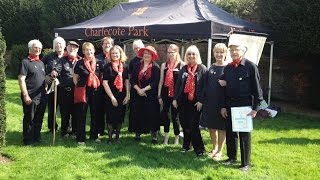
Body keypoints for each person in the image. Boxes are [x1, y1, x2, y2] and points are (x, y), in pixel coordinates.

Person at [219, 41, 263, 171]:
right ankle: (231, 157)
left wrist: (255, 109)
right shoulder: (228, 68)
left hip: (245, 105)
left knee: (244, 134)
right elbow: (223, 88)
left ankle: (246, 163)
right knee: (231, 132)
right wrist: (223, 106)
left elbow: (257, 90)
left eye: (236, 50)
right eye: (231, 50)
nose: (233, 52)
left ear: (243, 51)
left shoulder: (250, 67)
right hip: (229, 104)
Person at [172, 45, 206, 156]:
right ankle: (186, 146)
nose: (191, 56)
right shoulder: (184, 69)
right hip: (183, 102)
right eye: (189, 54)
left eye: (193, 54)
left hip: (196, 102)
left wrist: (201, 100)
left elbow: (205, 87)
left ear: (197, 55)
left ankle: (199, 149)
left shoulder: (202, 69)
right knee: (185, 125)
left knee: (193, 126)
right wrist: (175, 99)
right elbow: (178, 85)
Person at [199, 43, 228, 160]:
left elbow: (235, 85)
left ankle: (220, 151)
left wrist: (227, 83)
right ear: (213, 53)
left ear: (225, 53)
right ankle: (214, 148)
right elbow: (204, 85)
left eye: (221, 52)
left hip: (222, 105)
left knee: (222, 128)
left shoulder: (228, 68)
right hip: (209, 103)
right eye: (217, 52)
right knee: (211, 127)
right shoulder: (210, 68)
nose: (219, 54)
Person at [73, 42, 105, 145]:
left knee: (95, 114)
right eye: (86, 50)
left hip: (96, 92)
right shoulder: (79, 63)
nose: (89, 52)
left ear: (94, 51)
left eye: (90, 50)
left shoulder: (100, 62)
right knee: (81, 114)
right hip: (83, 91)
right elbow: (75, 78)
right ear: (83, 52)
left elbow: (102, 76)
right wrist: (79, 87)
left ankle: (94, 136)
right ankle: (80, 138)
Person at [18, 39, 46, 145]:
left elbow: (42, 78)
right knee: (29, 118)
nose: (38, 49)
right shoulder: (25, 62)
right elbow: (21, 79)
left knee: (39, 117)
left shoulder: (41, 63)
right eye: (36, 47)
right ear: (30, 48)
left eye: (39, 47)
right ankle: (28, 140)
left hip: (42, 96)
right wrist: (25, 95)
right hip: (31, 96)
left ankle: (36, 136)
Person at [131, 45, 160, 143]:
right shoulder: (136, 65)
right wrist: (139, 90)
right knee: (138, 113)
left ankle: (154, 136)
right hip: (137, 94)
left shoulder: (156, 67)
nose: (146, 55)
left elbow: (155, 82)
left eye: (148, 53)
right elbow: (132, 80)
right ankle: (137, 133)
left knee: (152, 114)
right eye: (145, 53)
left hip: (150, 95)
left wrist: (144, 90)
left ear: (152, 55)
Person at [102, 45, 130, 143]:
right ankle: (109, 138)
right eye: (113, 53)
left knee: (120, 116)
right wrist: (112, 97)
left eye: (116, 53)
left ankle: (117, 137)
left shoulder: (125, 66)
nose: (114, 55)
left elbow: (126, 81)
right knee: (110, 117)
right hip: (110, 95)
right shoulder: (107, 67)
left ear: (120, 54)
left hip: (122, 94)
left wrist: (128, 95)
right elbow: (105, 83)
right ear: (110, 54)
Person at [158, 44, 184, 145]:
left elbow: (182, 83)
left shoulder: (182, 65)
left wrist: (178, 98)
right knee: (165, 115)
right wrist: (159, 95)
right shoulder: (164, 65)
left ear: (177, 52)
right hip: (165, 93)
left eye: (172, 52)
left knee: (175, 116)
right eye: (168, 52)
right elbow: (161, 81)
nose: (170, 54)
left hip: (176, 95)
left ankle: (177, 137)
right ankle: (166, 137)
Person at [53, 41, 80, 138]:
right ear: (67, 48)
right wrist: (54, 72)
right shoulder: (62, 60)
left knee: (76, 112)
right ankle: (64, 132)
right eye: (70, 47)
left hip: (77, 91)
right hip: (65, 91)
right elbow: (57, 68)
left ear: (77, 49)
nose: (72, 49)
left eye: (74, 47)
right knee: (65, 113)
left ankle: (74, 131)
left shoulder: (80, 60)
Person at [41, 36, 65, 132]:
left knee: (65, 108)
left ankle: (67, 127)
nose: (58, 45)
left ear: (63, 45)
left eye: (60, 43)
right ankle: (52, 127)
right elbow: (40, 65)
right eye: (56, 44)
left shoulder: (67, 56)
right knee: (52, 107)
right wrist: (46, 76)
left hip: (64, 86)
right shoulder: (49, 56)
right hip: (51, 85)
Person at [95, 36, 114, 136]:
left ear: (112, 46)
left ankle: (112, 130)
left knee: (111, 110)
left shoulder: (116, 57)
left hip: (113, 89)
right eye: (105, 43)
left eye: (109, 44)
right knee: (99, 110)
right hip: (100, 89)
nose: (107, 45)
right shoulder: (96, 58)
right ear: (102, 45)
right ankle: (99, 130)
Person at [128, 39, 144, 133]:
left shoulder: (149, 58)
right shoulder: (132, 62)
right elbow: (130, 77)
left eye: (139, 47)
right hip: (135, 89)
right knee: (134, 110)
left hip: (147, 90)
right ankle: (133, 128)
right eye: (135, 48)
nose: (137, 50)